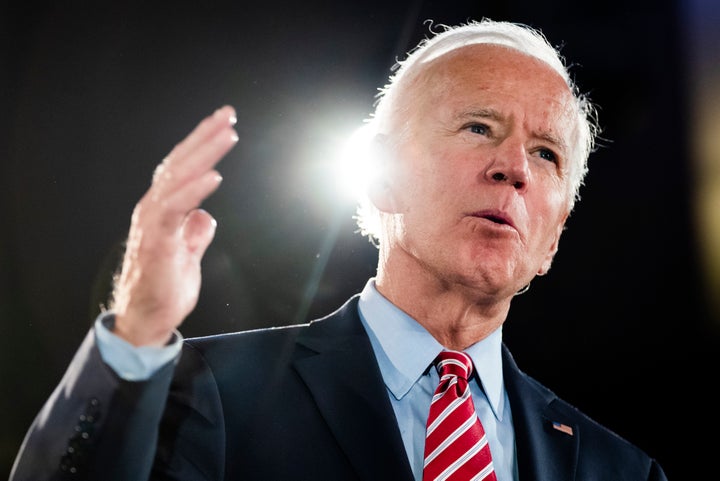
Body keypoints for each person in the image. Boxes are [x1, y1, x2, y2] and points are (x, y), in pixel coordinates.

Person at [10, 19, 667, 481]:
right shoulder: (210, 393)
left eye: (545, 153)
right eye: (478, 127)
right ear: (381, 176)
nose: (514, 167)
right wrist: (136, 333)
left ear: (552, 238)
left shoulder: (620, 470)